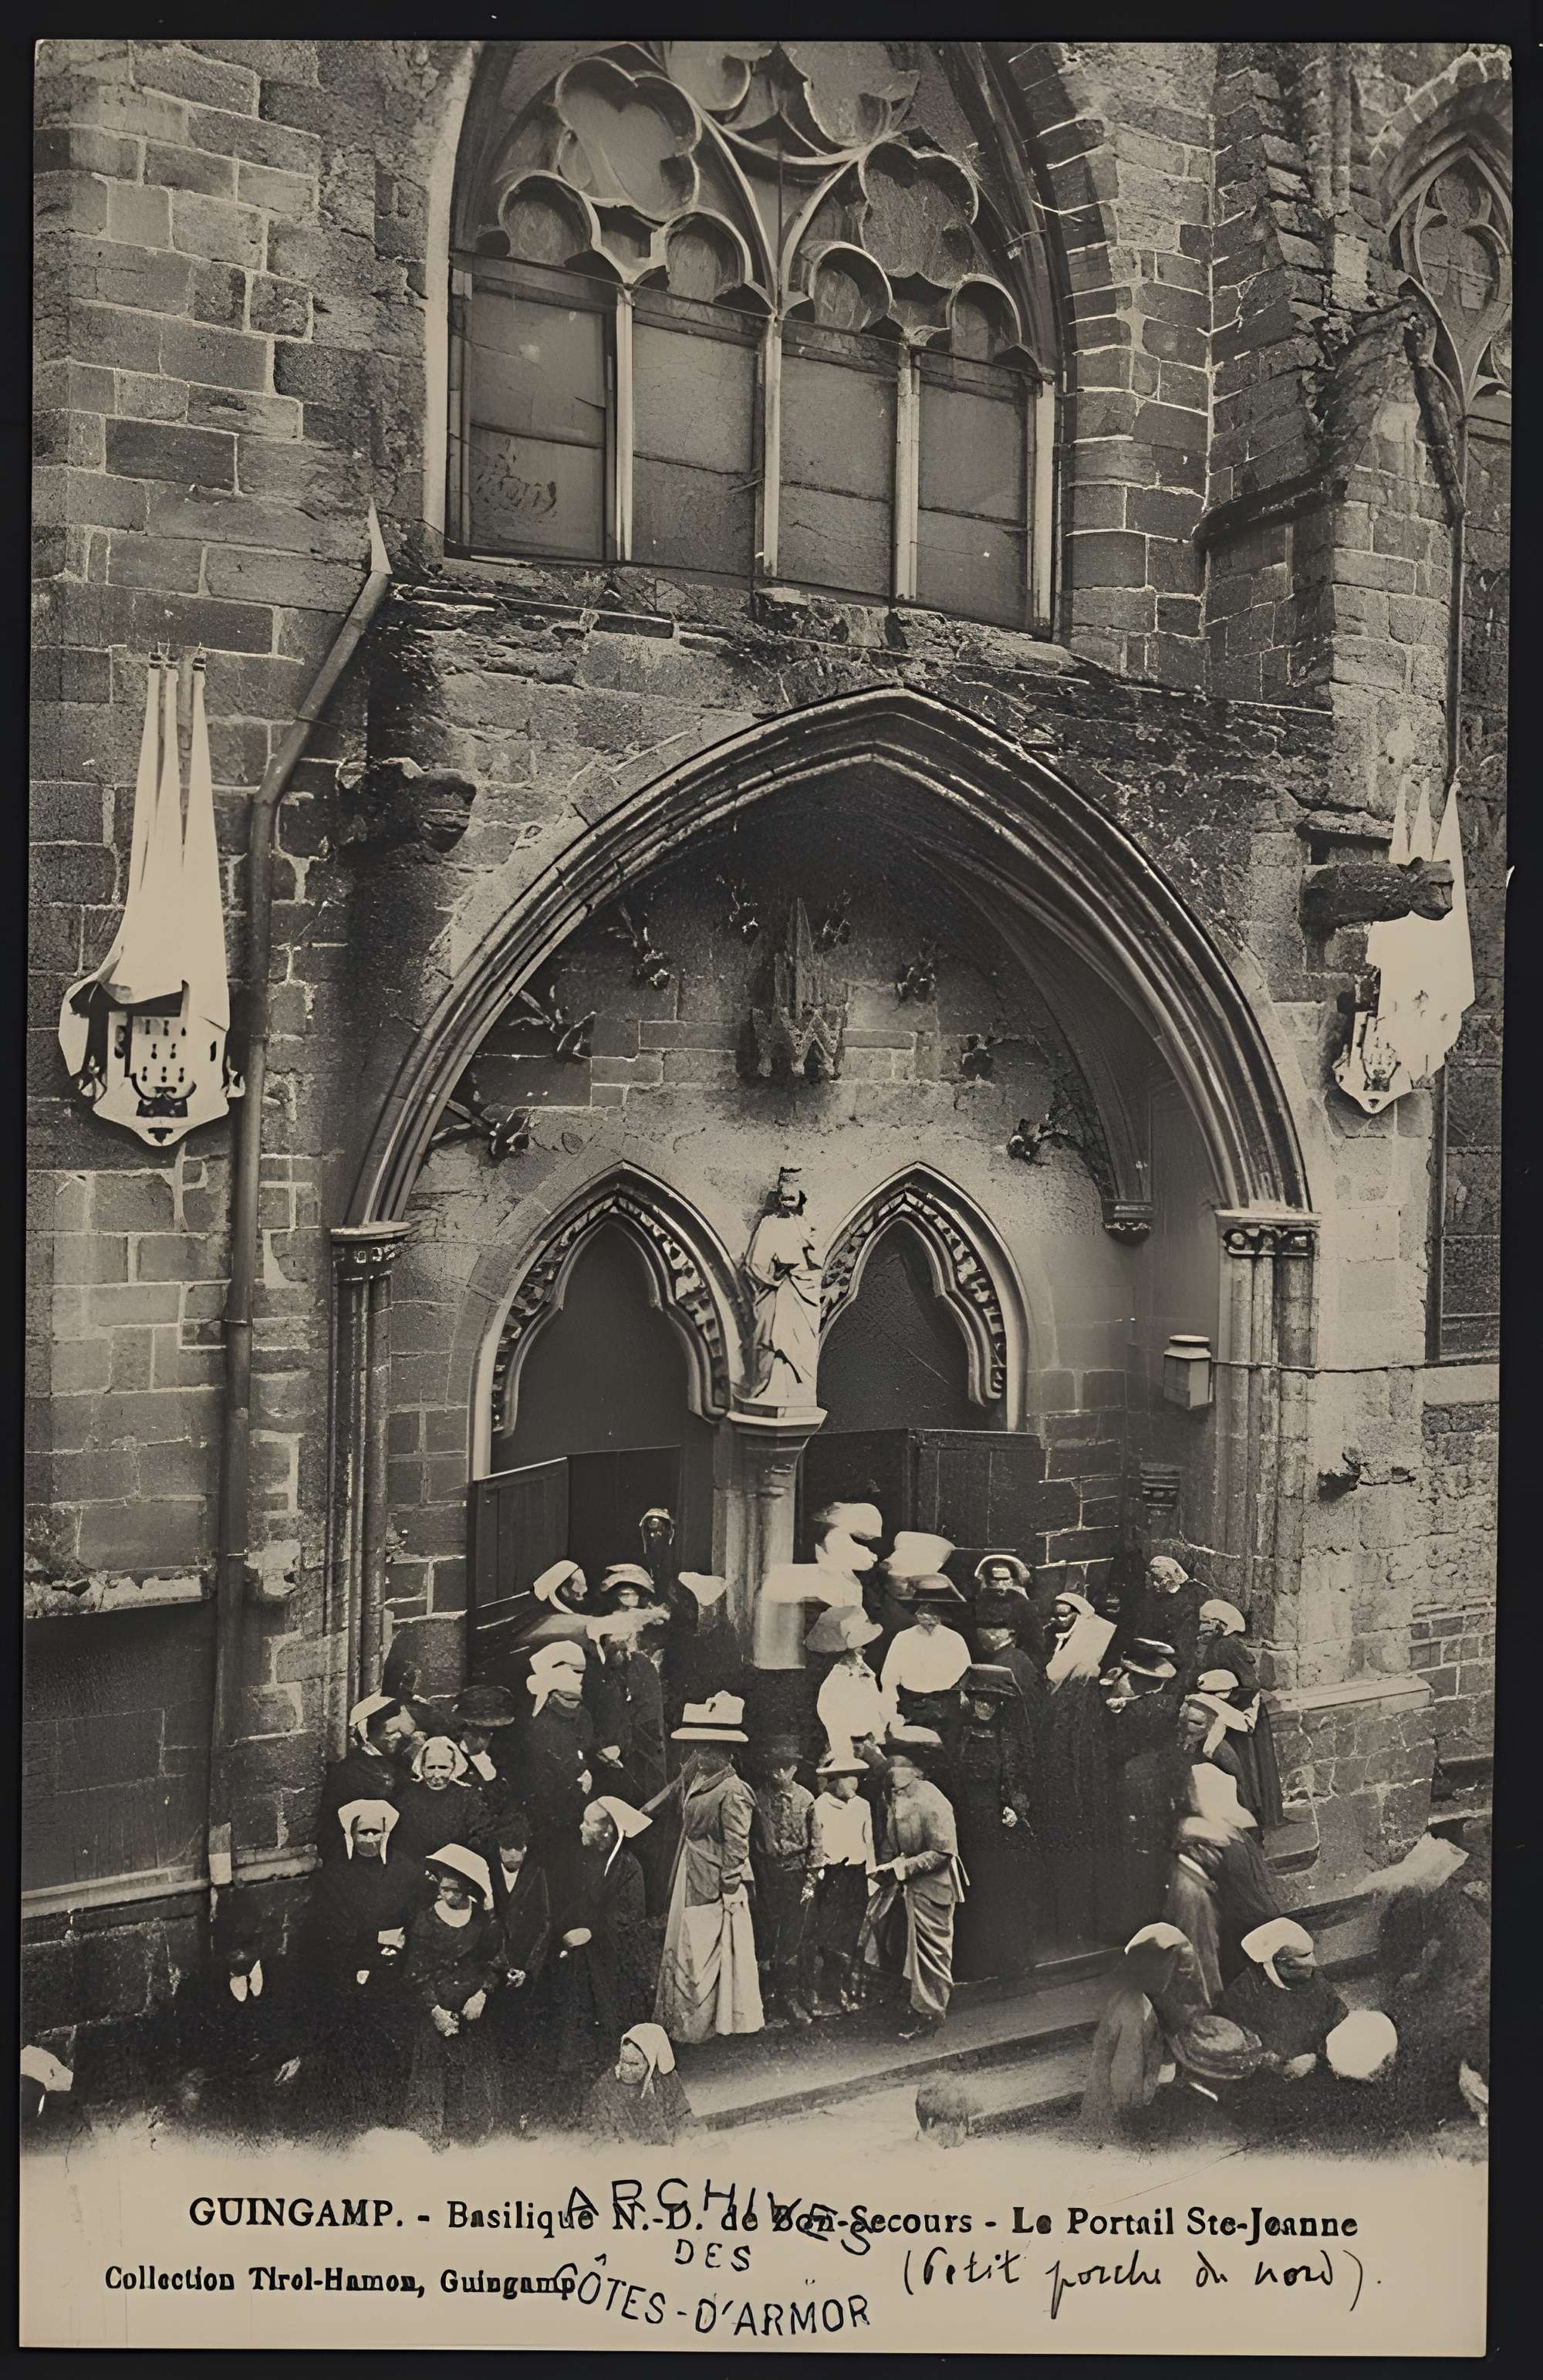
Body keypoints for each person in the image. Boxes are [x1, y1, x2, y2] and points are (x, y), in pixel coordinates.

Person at [303, 1800, 421, 2138]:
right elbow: (331, 1927)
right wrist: (372, 1939)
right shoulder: (336, 1875)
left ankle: (392, 2112)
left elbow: (415, 1921)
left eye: (376, 1831)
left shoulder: (405, 1871)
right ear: (351, 1835)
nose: (370, 1838)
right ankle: (355, 2116)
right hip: (350, 1971)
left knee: (393, 2043)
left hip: (394, 1972)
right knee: (353, 2044)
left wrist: (394, 1943)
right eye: (363, 1832)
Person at [653, 1696, 764, 2043]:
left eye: (709, 1747)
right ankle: (682, 2022)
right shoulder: (698, 1774)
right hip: (690, 1866)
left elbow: (737, 1846)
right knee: (685, 1942)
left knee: (705, 1949)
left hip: (714, 1878)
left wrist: (729, 1887)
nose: (700, 1753)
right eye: (698, 1746)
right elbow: (670, 1794)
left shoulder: (733, 1791)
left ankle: (704, 2025)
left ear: (727, 1752)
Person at [546, 1795, 657, 2118]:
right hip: (586, 1964)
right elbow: (577, 1905)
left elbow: (628, 1917)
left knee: (612, 2033)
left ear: (607, 1830)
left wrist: (590, 1932)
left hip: (615, 1967)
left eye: (588, 1822)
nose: (581, 1827)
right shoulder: (585, 1860)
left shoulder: (628, 1867)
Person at [162, 1901, 304, 2142]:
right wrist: (191, 2080)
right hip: (227, 2090)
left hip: (281, 2086)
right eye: (229, 1946)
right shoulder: (196, 1989)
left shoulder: (285, 1976)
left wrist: (296, 2055)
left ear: (261, 1942)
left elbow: (305, 2026)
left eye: (245, 1944)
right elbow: (187, 2052)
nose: (236, 1954)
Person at [863, 1730, 965, 2039]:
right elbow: (892, 1842)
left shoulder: (931, 1799)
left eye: (902, 1763)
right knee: (903, 1949)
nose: (894, 1768)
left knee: (931, 1954)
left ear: (918, 1769)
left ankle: (931, 2014)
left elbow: (943, 1851)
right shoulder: (897, 1797)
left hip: (933, 1888)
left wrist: (903, 1868)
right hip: (908, 1888)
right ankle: (917, 2006)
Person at [400, 1846, 504, 2149]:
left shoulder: (482, 1922)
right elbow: (417, 1972)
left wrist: (482, 1995)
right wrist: (435, 2011)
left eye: (454, 1890)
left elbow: (497, 1961)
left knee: (473, 2071)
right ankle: (430, 2137)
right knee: (432, 2073)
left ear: (467, 1890)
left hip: (471, 2007)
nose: (447, 1896)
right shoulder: (426, 1921)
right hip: (439, 2005)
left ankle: (472, 2135)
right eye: (443, 1889)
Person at [1078, 1921, 1212, 2145]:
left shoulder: (1152, 1997)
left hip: (1143, 2080)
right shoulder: (1133, 2011)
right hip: (1125, 2098)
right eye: (1175, 1969)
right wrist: (1136, 2106)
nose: (1180, 1976)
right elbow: (1125, 2077)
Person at [950, 1664, 1039, 1983]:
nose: (984, 1707)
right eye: (979, 1700)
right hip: (966, 1825)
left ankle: (1006, 1962)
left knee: (1000, 1892)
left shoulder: (1011, 1737)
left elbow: (1022, 1778)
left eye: (991, 1701)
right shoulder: (959, 1733)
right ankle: (971, 1964)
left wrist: (1016, 1808)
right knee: (970, 1892)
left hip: (999, 1827)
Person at [1038, 1591, 1117, 1947]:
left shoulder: (1084, 1674)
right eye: (1055, 1614)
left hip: (1072, 1787)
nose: (1058, 1620)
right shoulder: (1055, 1642)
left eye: (1065, 1615)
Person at [1104, 1644, 1183, 1938]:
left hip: (1136, 1777)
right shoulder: (1170, 1703)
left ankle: (1134, 1920)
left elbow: (1118, 1747)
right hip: (1159, 1776)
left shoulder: (1134, 1712)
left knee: (1134, 1848)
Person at [1191, 1597, 1285, 1826]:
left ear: (1220, 1624)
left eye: (1207, 1623)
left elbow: (1250, 1684)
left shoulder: (1228, 1647)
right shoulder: (1212, 1645)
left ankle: (1251, 1815)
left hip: (1237, 1711)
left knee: (1244, 1766)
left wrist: (1226, 1697)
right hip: (1223, 1707)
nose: (1202, 1627)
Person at [1217, 1917, 1348, 2075]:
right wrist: (1275, 2062)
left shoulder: (1314, 1979)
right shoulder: (1243, 1993)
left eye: (1309, 1967)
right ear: (1273, 1963)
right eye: (1294, 1967)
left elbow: (1338, 2015)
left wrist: (1317, 2056)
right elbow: (1236, 2045)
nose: (1306, 1975)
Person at [487, 1807, 551, 2125]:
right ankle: (498, 2112)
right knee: (498, 2042)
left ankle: (525, 2112)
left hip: (527, 1974)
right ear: (498, 1848)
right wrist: (503, 1965)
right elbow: (488, 1922)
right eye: (507, 1848)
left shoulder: (537, 1873)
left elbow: (545, 1924)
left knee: (526, 2042)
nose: (513, 1855)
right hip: (497, 1971)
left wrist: (528, 1968)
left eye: (519, 1848)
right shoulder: (488, 1874)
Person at [751, 1736, 819, 2025]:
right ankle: (766, 1998)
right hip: (766, 1874)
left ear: (794, 1769)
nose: (778, 1774)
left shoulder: (807, 1800)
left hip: (795, 1874)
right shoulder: (757, 1798)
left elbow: (816, 1844)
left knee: (792, 1935)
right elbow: (749, 1839)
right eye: (774, 1768)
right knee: (766, 1934)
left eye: (785, 1768)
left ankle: (789, 1997)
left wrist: (811, 1880)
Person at [518, 1641, 596, 1890]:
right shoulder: (542, 1727)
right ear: (552, 1695)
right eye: (568, 1699)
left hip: (577, 1809)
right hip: (553, 1810)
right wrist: (579, 1784)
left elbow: (586, 1742)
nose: (574, 1705)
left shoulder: (581, 1716)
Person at [743, 1165, 822, 1405]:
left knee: (799, 1343)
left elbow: (816, 1261)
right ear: (778, 1197)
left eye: (793, 1196)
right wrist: (774, 1275)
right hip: (776, 1291)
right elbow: (754, 1263)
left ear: (800, 1198)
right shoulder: (769, 1224)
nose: (787, 1200)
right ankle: (769, 1387)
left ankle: (798, 1389)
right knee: (773, 1338)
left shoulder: (805, 1225)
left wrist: (799, 1264)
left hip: (801, 1292)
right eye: (783, 1195)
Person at [809, 1745, 877, 2013]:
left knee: (852, 1932)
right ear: (835, 1779)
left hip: (857, 1875)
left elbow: (868, 1842)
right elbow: (817, 1845)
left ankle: (843, 1985)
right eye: (848, 1776)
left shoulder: (863, 1807)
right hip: (833, 1876)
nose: (854, 1783)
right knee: (828, 1932)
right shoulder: (820, 1806)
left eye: (856, 1776)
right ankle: (826, 1986)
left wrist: (871, 1877)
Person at [316, 1693, 417, 1861]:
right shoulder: (352, 1770)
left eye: (399, 1732)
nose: (398, 1737)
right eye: (390, 1733)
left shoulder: (395, 1759)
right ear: (368, 1737)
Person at [879, 1577, 972, 1743]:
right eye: (923, 1612)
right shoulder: (903, 1639)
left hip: (946, 1711)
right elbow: (889, 1682)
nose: (928, 1618)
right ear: (916, 1612)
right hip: (911, 1709)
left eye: (935, 1612)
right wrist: (891, 1715)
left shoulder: (955, 1640)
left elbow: (967, 1680)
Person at [583, 2022, 697, 2147]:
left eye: (634, 2064)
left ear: (650, 2063)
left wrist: (683, 2142)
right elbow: (600, 2137)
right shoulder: (606, 2090)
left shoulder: (666, 2080)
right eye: (623, 2061)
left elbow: (683, 2116)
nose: (626, 2069)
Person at [393, 1734, 490, 1870]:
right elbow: (401, 1839)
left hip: (457, 1868)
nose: (436, 1775)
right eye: (431, 1767)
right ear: (422, 1767)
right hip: (416, 1867)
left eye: (443, 1767)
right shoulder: (409, 1797)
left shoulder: (468, 1797)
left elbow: (479, 1836)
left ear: (453, 1766)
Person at [1163, 1816, 1229, 1999]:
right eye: (1212, 1849)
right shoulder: (1190, 1891)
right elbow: (1194, 1948)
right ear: (1193, 1849)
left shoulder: (1193, 1879)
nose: (1219, 1856)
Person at [816, 1608, 896, 1756]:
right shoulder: (838, 1676)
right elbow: (828, 1710)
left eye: (865, 1646)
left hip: (866, 1734)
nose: (865, 1650)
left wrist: (878, 1731)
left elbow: (875, 1702)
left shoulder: (864, 1670)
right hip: (845, 1735)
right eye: (862, 1646)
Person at [449, 1684, 522, 1838]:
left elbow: (506, 1796)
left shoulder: (506, 1752)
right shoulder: (449, 1753)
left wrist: (479, 1758)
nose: (489, 1736)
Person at [1136, 1557, 1205, 1678]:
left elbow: (1188, 1637)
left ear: (1171, 1578)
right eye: (1153, 1579)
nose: (1155, 1584)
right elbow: (1144, 1625)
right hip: (1156, 1649)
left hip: (1180, 1653)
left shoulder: (1192, 1596)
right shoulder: (1152, 1596)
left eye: (1159, 1580)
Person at [915, 2075, 982, 2148]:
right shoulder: (926, 2104)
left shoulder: (952, 2103)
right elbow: (923, 2123)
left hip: (949, 2103)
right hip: (944, 2102)